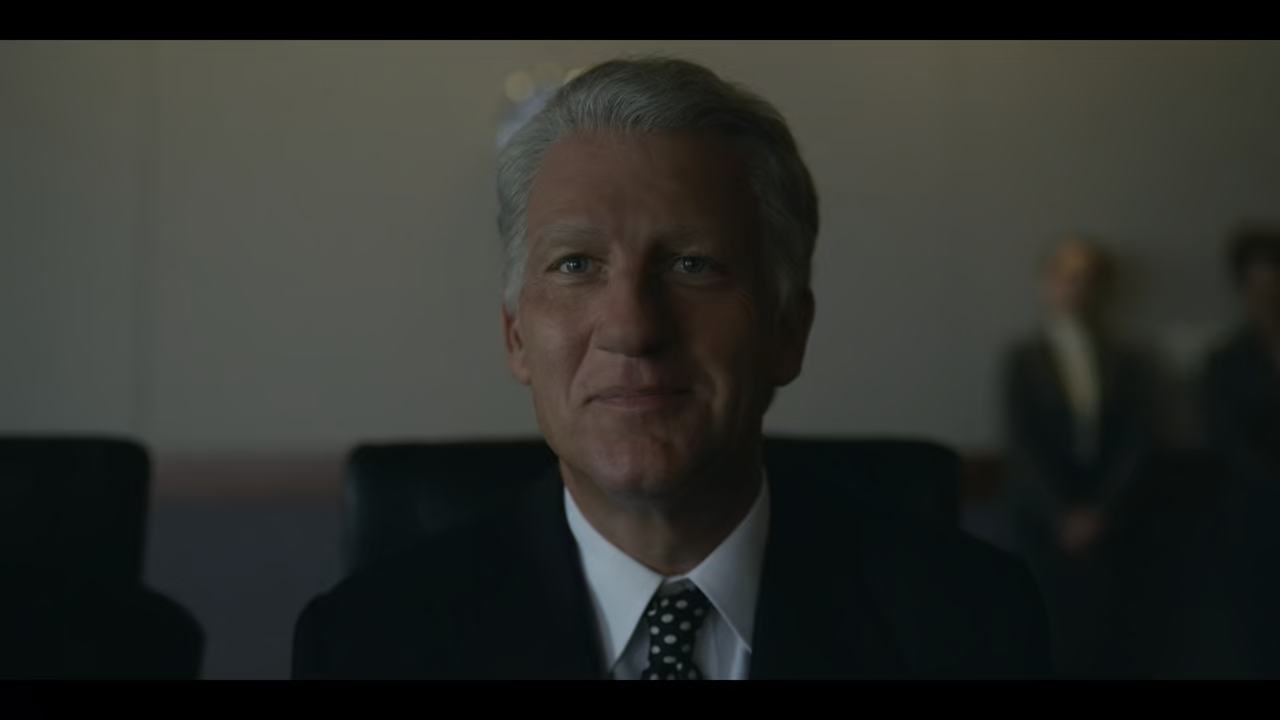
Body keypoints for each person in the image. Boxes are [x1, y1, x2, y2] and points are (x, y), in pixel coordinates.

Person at [292, 56, 1050, 680]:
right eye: (576, 264)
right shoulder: (365, 646)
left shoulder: (970, 622)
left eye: (693, 264)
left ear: (788, 330)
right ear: (516, 336)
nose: (632, 328)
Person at [1001, 237, 1158, 677]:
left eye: (1088, 280)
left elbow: (1136, 442)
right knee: (1046, 639)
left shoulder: (1126, 360)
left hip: (1112, 523)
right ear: (1047, 283)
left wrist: (1102, 510)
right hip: (1043, 525)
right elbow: (1021, 443)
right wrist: (1061, 514)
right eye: (1067, 278)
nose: (1076, 289)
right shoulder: (1023, 359)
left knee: (1112, 644)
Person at [1197, 225, 1280, 675]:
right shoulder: (1225, 360)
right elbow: (1226, 442)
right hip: (1257, 521)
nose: (1270, 298)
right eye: (1259, 288)